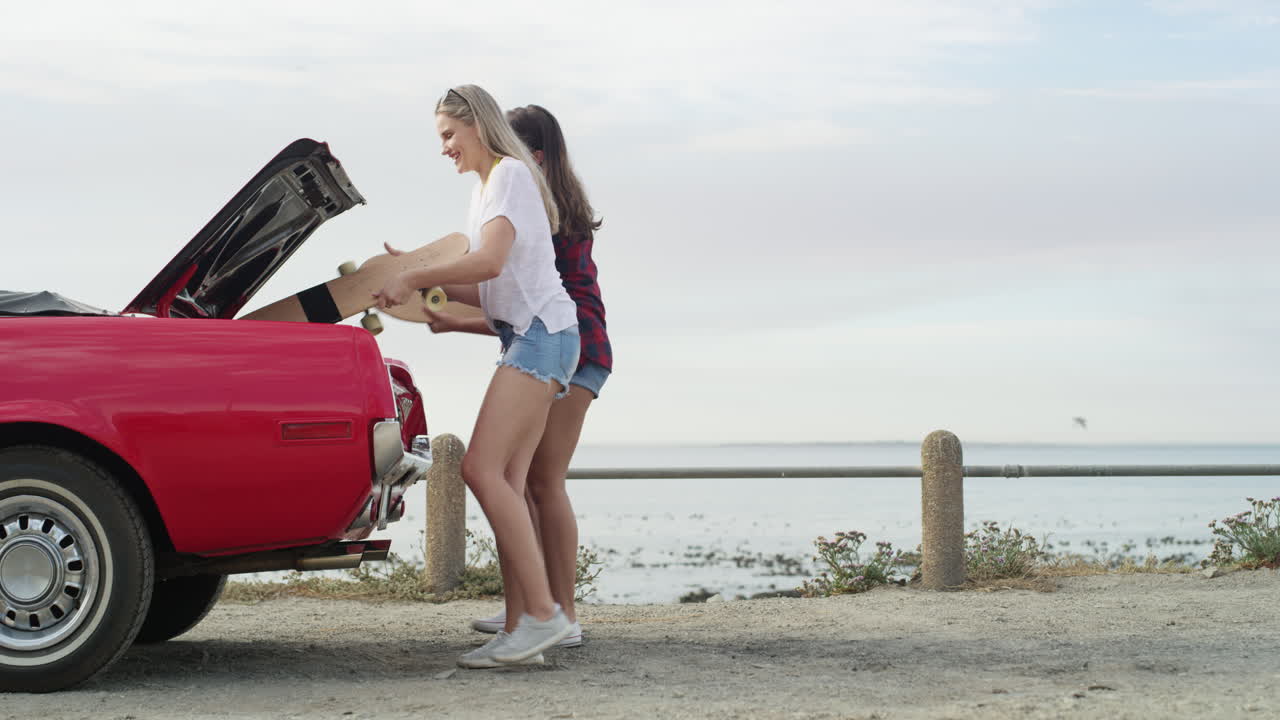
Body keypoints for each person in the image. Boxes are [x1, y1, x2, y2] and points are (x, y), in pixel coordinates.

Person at [374, 84, 578, 668]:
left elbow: (488, 262)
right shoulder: (489, 189)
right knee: (507, 481)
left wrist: (415, 277)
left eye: (448, 135)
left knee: (479, 468)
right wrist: (414, 279)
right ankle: (523, 629)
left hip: (541, 336)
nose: (443, 149)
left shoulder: (510, 174)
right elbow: (488, 285)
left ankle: (543, 613)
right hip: (539, 334)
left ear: (477, 125)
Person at [423, 105, 611, 650]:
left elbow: (525, 292)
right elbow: (506, 301)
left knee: (541, 483)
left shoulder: (550, 214)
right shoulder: (533, 202)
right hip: (548, 342)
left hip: (578, 349)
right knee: (518, 479)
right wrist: (450, 313)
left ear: (538, 155)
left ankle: (560, 616)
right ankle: (529, 611)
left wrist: (424, 279)